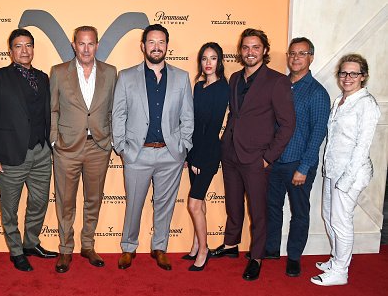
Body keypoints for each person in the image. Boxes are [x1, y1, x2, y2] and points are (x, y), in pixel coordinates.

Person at [211, 28, 295, 281]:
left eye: (255, 47)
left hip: (257, 158)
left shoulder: (277, 81)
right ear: (240, 51)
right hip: (231, 153)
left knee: (258, 210)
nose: (250, 52)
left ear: (265, 51)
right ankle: (231, 245)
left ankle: (256, 257)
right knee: (233, 204)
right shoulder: (235, 78)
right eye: (246, 47)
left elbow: (288, 124)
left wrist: (268, 157)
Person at [112, 24, 194, 271]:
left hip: (170, 154)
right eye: (151, 42)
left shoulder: (181, 77)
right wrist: (122, 148)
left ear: (167, 46)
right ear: (143, 46)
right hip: (137, 153)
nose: (156, 47)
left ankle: (160, 247)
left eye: (161, 42)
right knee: (134, 204)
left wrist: (183, 147)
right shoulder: (127, 76)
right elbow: (118, 115)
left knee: (165, 204)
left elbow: (187, 117)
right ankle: (128, 247)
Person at [0, 29, 57, 272]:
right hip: (11, 155)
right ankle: (16, 251)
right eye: (18, 46)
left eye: (28, 46)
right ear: (10, 50)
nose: (24, 51)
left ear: (33, 49)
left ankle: (31, 243)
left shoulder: (44, 77)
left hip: (42, 152)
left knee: (39, 202)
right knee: (10, 208)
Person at [50, 26, 118, 273]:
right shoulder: (58, 72)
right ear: (74, 45)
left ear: (97, 45)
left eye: (91, 44)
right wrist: (55, 139)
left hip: (99, 147)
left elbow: (113, 109)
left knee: (93, 200)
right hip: (66, 148)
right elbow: (53, 109)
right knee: (65, 202)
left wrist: (110, 140)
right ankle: (65, 249)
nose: (86, 49)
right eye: (81, 44)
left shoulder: (110, 73)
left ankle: (88, 245)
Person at [311, 54, 380, 286]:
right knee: (329, 216)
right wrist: (328, 169)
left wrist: (346, 180)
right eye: (344, 73)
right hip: (333, 169)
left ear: (363, 76)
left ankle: (341, 271)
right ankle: (337, 259)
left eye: (354, 73)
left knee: (341, 221)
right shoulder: (340, 100)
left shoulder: (366, 104)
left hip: (352, 173)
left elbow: (362, 146)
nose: (348, 77)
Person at [265, 37, 330, 278]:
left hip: (298, 164)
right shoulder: (280, 85)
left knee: (299, 212)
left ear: (311, 57)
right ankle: (271, 248)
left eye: (301, 54)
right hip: (275, 161)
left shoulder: (317, 93)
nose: (295, 58)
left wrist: (304, 167)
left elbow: (318, 134)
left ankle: (294, 257)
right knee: (272, 207)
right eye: (292, 53)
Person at [182, 42, 229, 272]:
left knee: (193, 203)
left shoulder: (222, 88)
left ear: (219, 61)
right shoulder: (198, 86)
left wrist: (199, 158)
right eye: (204, 59)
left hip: (208, 153)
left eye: (213, 58)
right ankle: (196, 244)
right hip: (194, 151)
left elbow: (211, 127)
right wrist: (189, 154)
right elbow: (193, 124)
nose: (208, 63)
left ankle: (204, 250)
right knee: (199, 203)